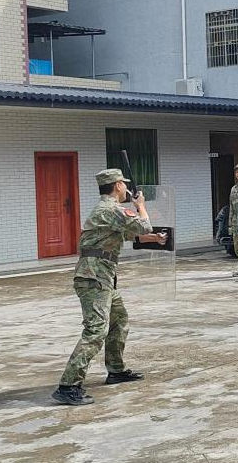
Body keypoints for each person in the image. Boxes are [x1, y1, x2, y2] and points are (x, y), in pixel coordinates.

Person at [52, 169, 167, 406]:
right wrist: (140, 205)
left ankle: (116, 369)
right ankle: (68, 386)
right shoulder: (111, 209)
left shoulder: (108, 211)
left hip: (102, 277)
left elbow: (128, 235)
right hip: (94, 277)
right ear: (117, 186)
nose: (126, 188)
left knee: (119, 320)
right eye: (123, 184)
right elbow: (143, 226)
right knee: (96, 331)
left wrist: (154, 239)